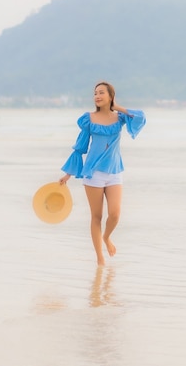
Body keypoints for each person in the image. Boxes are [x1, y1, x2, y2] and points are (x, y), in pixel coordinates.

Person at [59, 81, 146, 266]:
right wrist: (68, 174)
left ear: (110, 96)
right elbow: (80, 147)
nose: (97, 96)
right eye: (95, 93)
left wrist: (118, 107)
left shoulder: (120, 118)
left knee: (115, 214)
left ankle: (107, 238)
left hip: (114, 172)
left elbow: (140, 118)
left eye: (101, 93)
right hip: (93, 174)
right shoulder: (88, 119)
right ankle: (100, 258)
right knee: (96, 217)